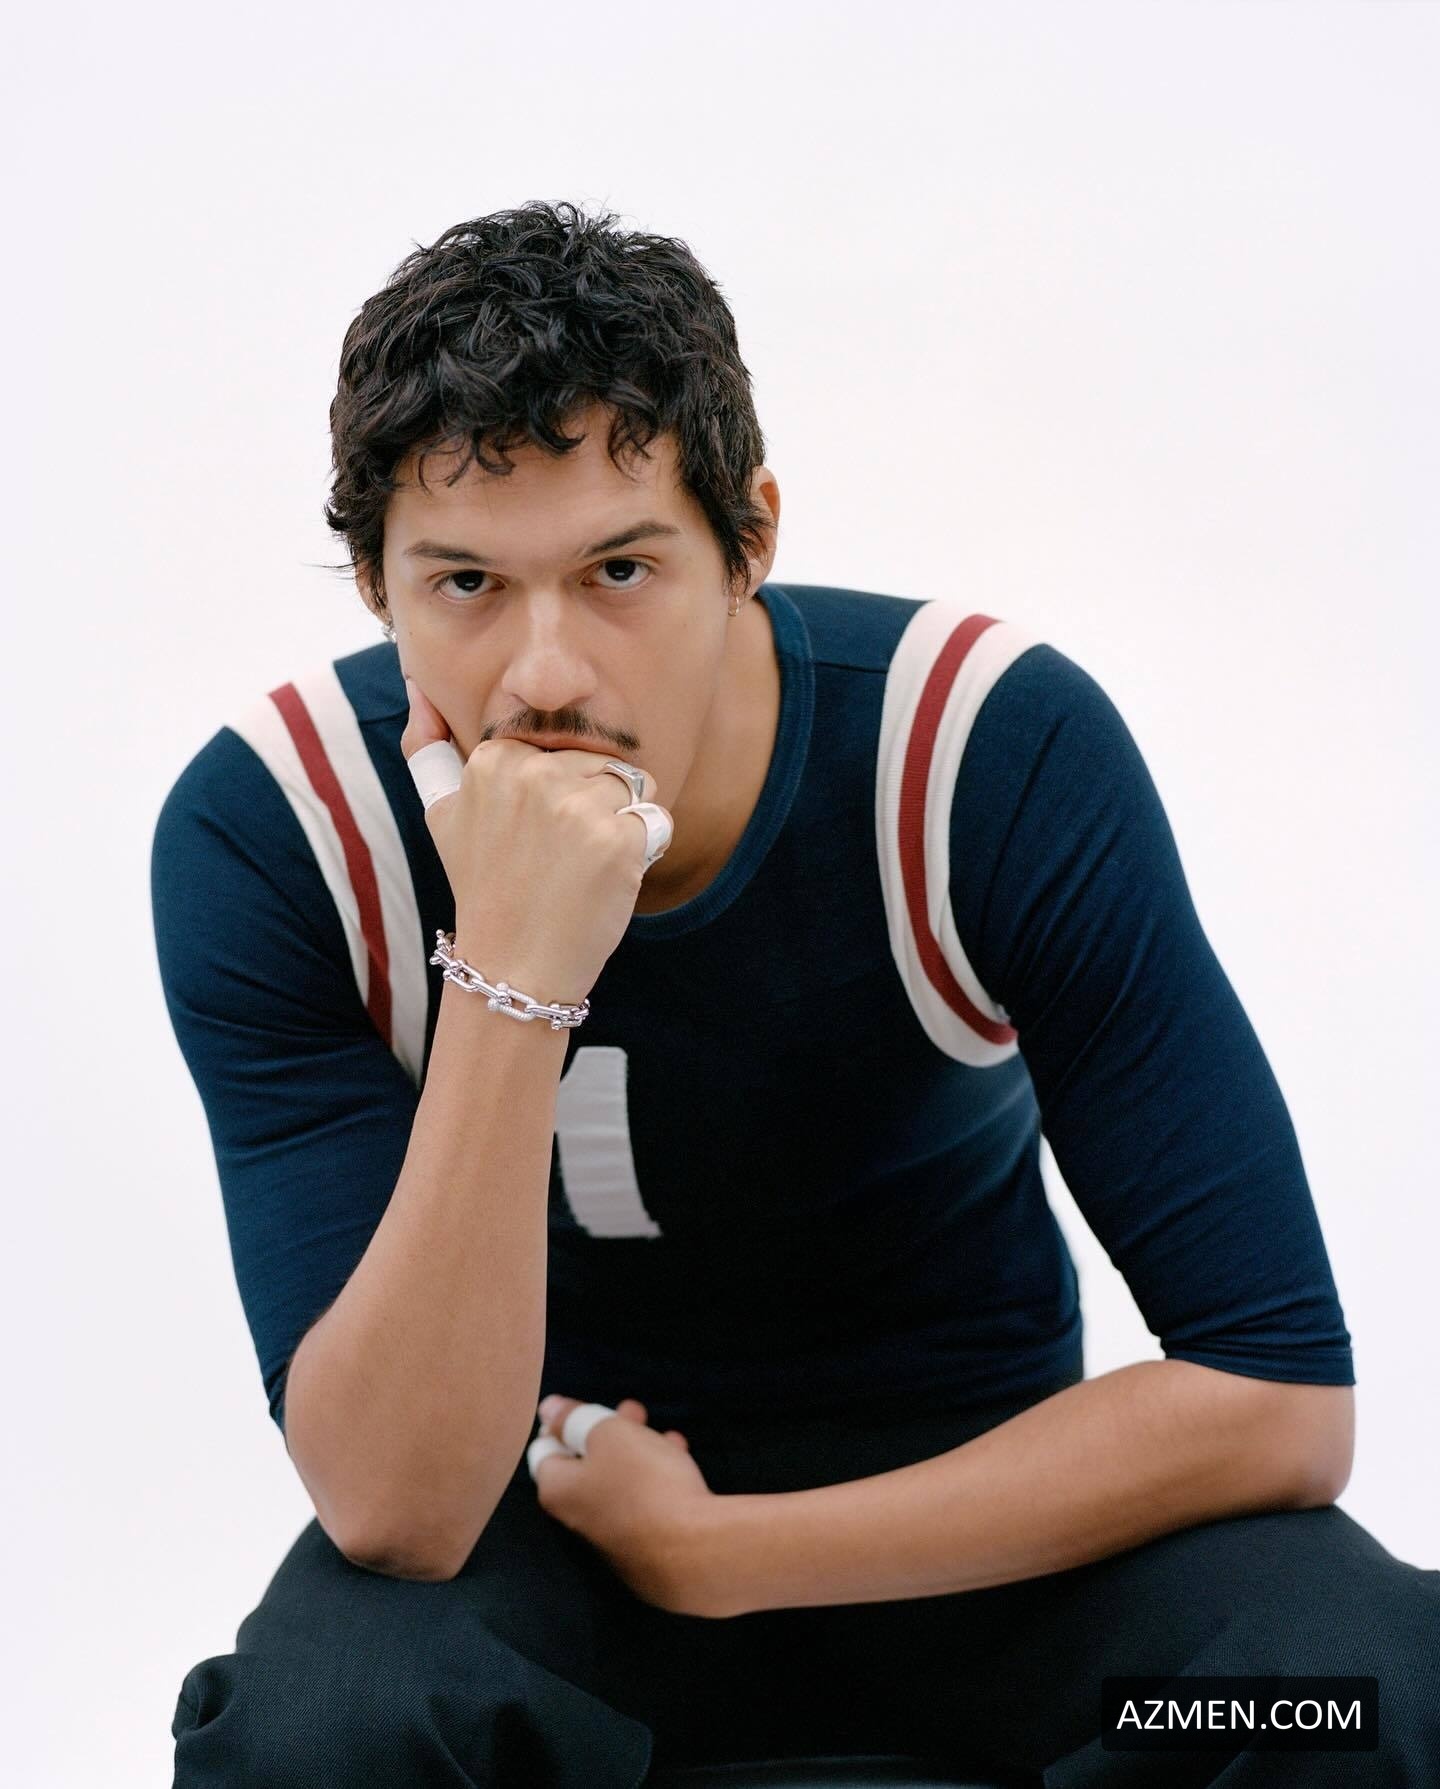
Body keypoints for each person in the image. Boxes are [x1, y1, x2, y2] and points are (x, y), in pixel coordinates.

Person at [152, 200, 1439, 1787]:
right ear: (375, 583)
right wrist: (512, 971)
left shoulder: (972, 753)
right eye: (467, 582)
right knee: (328, 1729)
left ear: (749, 539)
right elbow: (399, 1512)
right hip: (542, 1550)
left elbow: (1276, 1395)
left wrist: (730, 1552)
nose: (545, 674)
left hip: (987, 1555)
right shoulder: (288, 835)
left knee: (1351, 1693)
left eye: (621, 569)